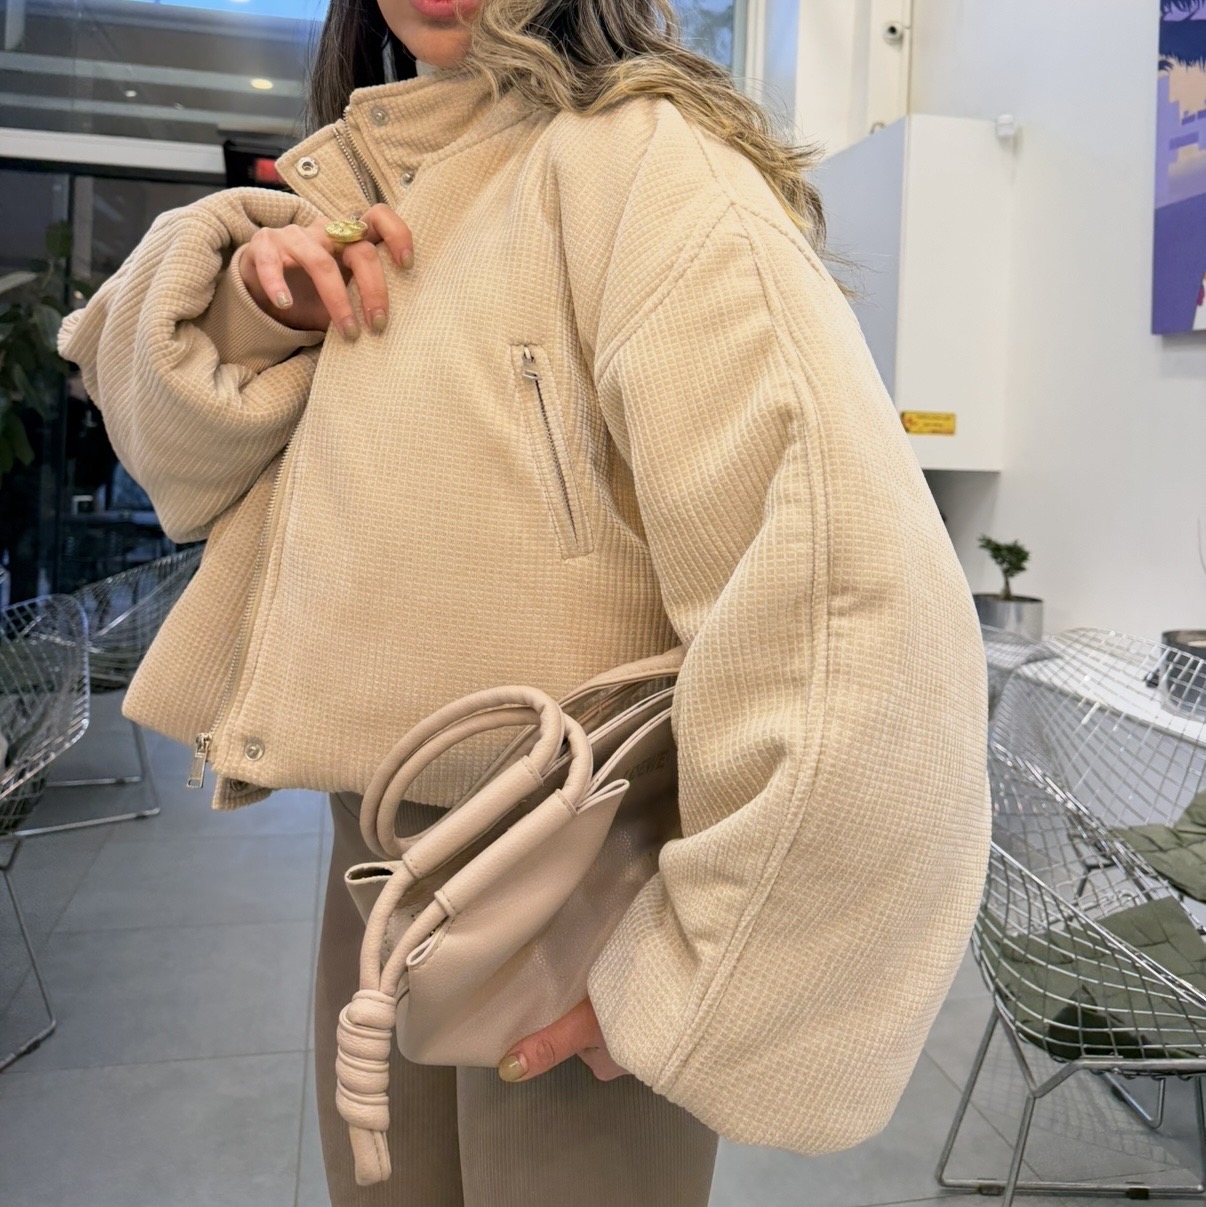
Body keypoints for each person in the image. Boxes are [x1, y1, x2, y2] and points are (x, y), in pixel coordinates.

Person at [57, 0, 992, 1202]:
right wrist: (259, 312)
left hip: (575, 880)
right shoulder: (381, 175)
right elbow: (186, 472)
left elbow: (847, 597)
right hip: (375, 866)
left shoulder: (644, 162)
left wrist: (701, 970)